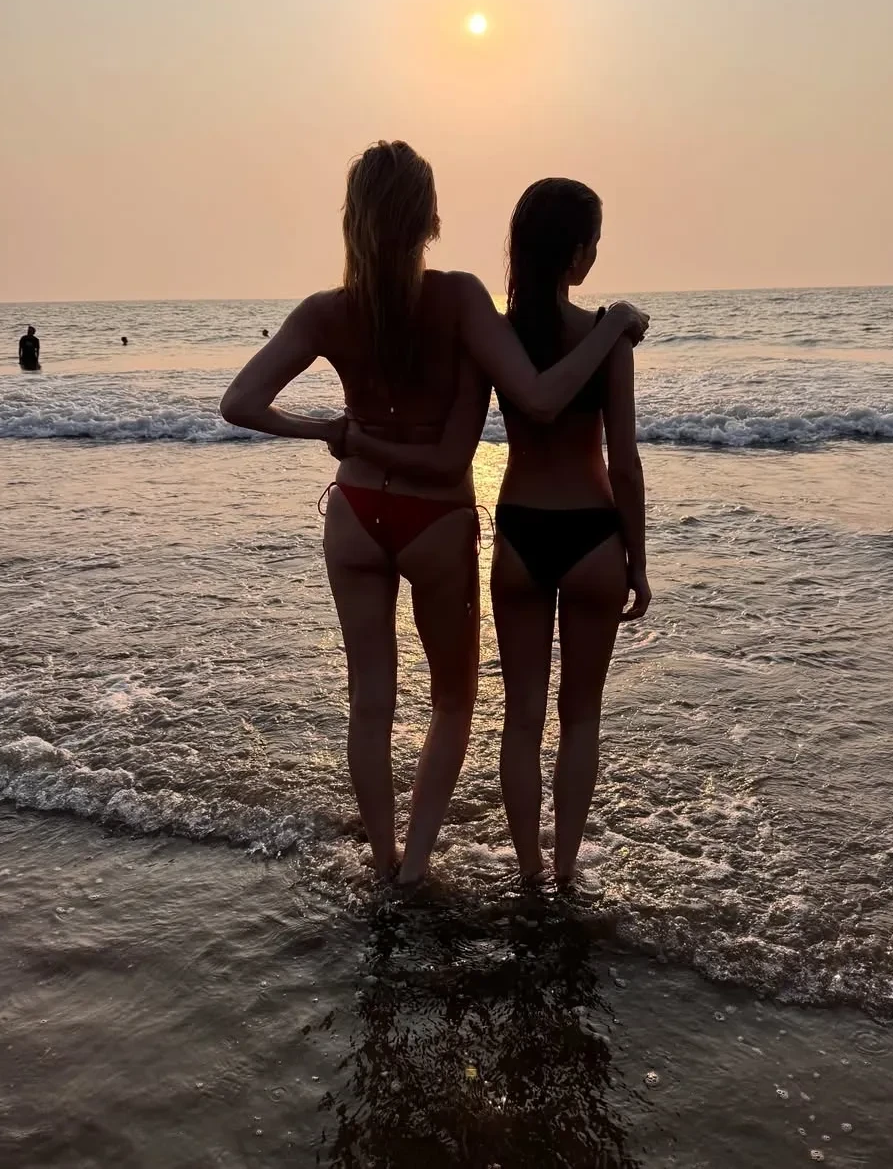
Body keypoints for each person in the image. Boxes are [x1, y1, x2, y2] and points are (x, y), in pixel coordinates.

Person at [220, 141, 648, 885]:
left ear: (353, 217)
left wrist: (332, 431)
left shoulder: (327, 312)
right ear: (430, 219)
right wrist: (611, 326)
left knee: (371, 699)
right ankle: (445, 865)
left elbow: (240, 403)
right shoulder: (457, 300)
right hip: (450, 521)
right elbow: (544, 406)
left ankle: (386, 862)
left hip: (357, 510)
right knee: (462, 702)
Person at [352, 178, 650, 887]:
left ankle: (528, 872)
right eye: (593, 242)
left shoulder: (498, 336)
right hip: (593, 534)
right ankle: (566, 873)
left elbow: (464, 424)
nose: (594, 254)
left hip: (519, 533)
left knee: (520, 720)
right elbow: (625, 463)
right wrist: (637, 561)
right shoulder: (606, 337)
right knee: (581, 719)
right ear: (576, 253)